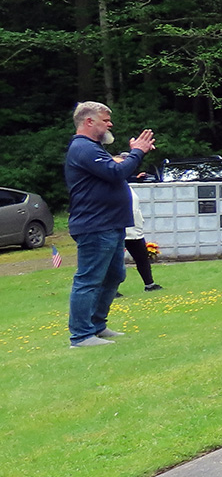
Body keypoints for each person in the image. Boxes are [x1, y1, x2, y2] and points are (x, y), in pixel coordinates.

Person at [65, 102, 154, 347]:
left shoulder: (95, 149)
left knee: (115, 275)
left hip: (111, 224)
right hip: (95, 225)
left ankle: (97, 326)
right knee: (89, 279)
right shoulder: (82, 148)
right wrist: (137, 152)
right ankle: (81, 336)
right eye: (105, 120)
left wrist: (133, 155)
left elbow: (117, 171)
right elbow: (116, 173)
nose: (110, 124)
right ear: (89, 122)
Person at [124, 188, 162, 292]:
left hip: (135, 230)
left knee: (142, 257)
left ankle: (149, 284)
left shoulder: (127, 186)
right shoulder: (109, 186)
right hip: (118, 229)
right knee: (114, 261)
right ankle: (110, 290)